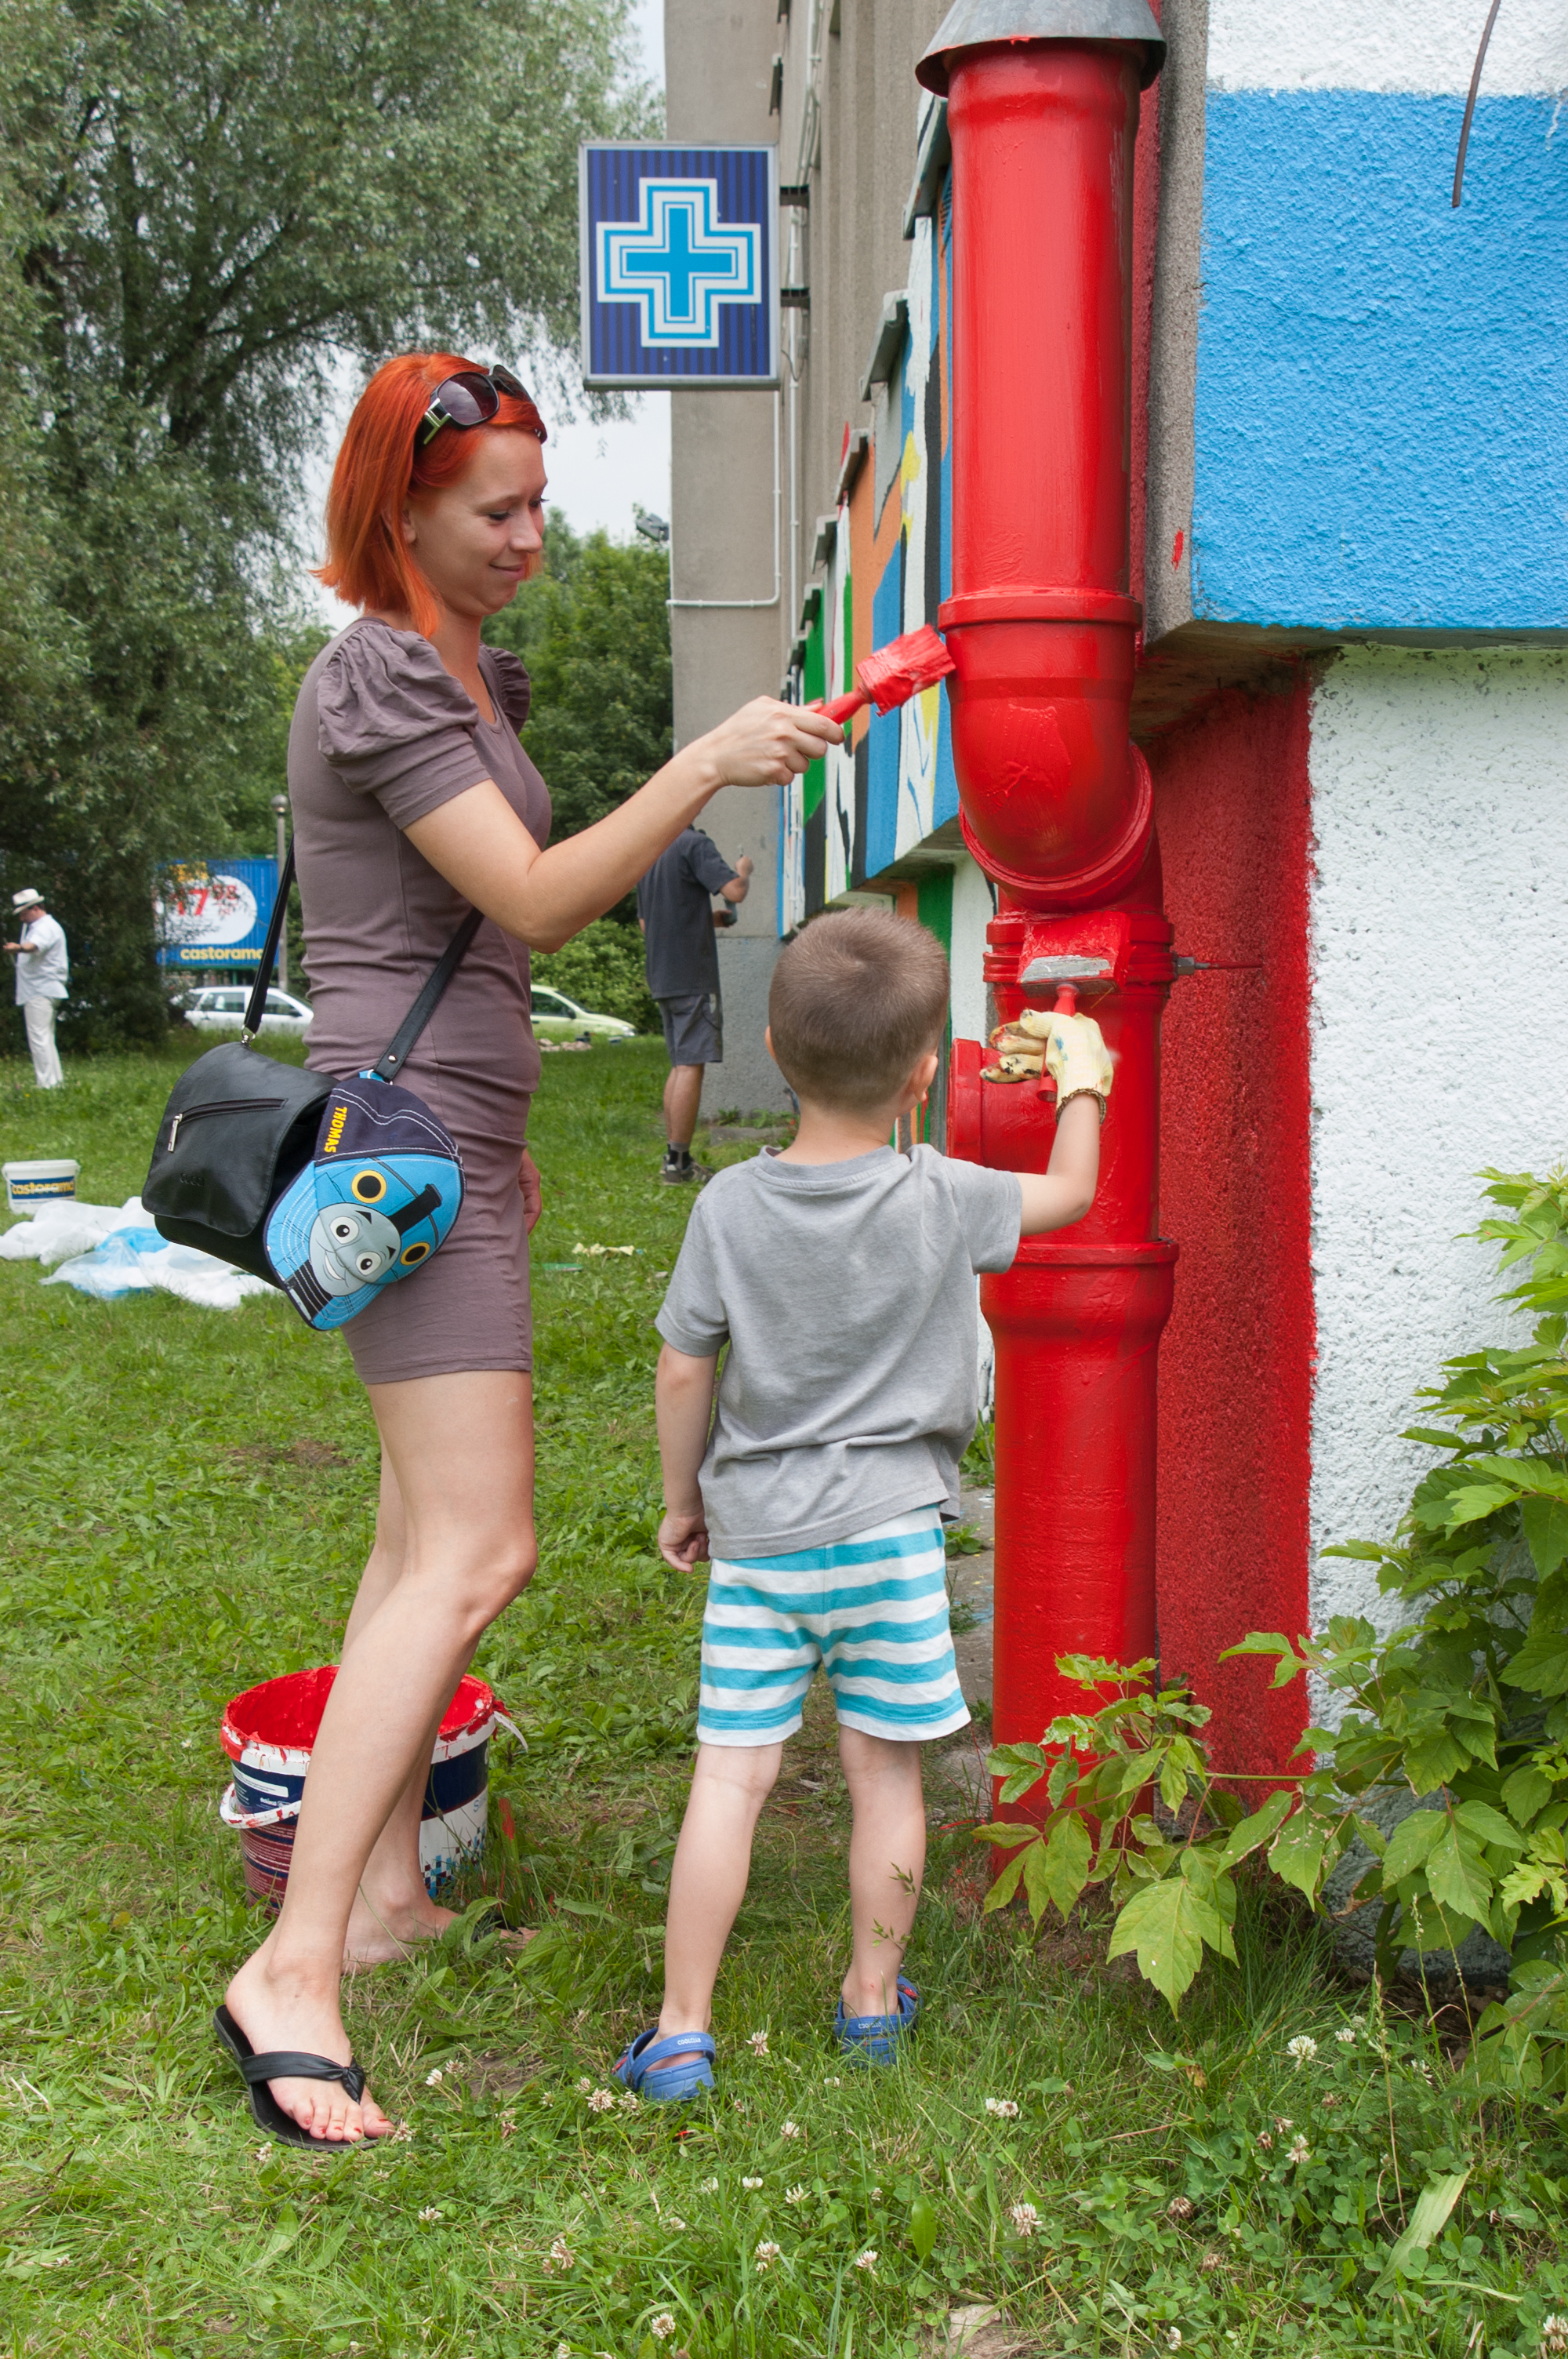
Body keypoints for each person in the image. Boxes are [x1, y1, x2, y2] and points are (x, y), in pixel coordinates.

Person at [215, 353, 840, 2148]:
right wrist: (707, 760)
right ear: (398, 509)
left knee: (416, 1540)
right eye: (494, 508)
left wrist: (499, 1135)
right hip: (407, 1152)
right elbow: (540, 898)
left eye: (539, 504)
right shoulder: (378, 672)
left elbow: (466, 936)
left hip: (449, 1146)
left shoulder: (461, 672)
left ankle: (377, 1895)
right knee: (477, 1548)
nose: (528, 537)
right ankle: (293, 1969)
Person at [613, 908, 1113, 2100]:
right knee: (885, 1775)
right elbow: (1071, 1192)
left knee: (730, 1778)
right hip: (891, 1541)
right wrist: (1083, 1078)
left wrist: (683, 1501)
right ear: (924, 1074)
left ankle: (681, 2031)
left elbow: (683, 1367)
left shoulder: (727, 1207)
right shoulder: (946, 1195)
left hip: (762, 1544)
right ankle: (872, 2003)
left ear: (773, 1052)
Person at [637, 827, 753, 1183]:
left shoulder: (650, 851)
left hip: (663, 975)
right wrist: (744, 870)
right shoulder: (694, 843)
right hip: (691, 976)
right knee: (690, 1066)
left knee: (680, 1065)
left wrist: (707, 919)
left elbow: (647, 925)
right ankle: (678, 1164)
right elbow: (735, 891)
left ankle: (676, 1159)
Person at [4, 890, 67, 1088]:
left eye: (24, 913)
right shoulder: (38, 927)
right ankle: (55, 1082)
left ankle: (46, 1084)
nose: (21, 918)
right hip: (42, 989)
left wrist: (18, 948)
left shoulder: (45, 927)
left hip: (40, 990)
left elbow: (34, 946)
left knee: (39, 1038)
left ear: (36, 908)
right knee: (46, 1038)